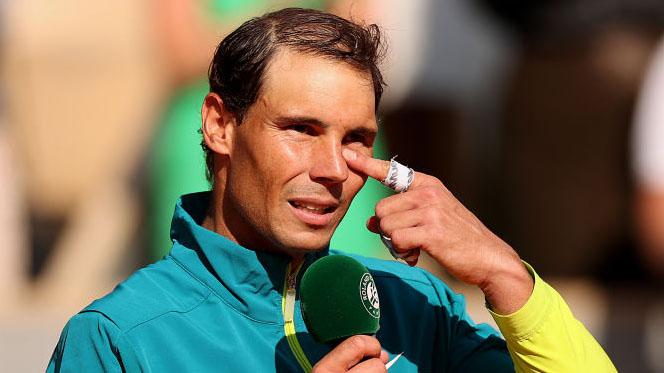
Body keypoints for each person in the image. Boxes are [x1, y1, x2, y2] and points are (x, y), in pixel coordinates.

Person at [47, 8, 616, 372]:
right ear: (220, 125)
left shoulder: (417, 306)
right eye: (300, 129)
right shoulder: (117, 340)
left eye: (356, 139)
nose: (332, 169)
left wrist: (507, 275)